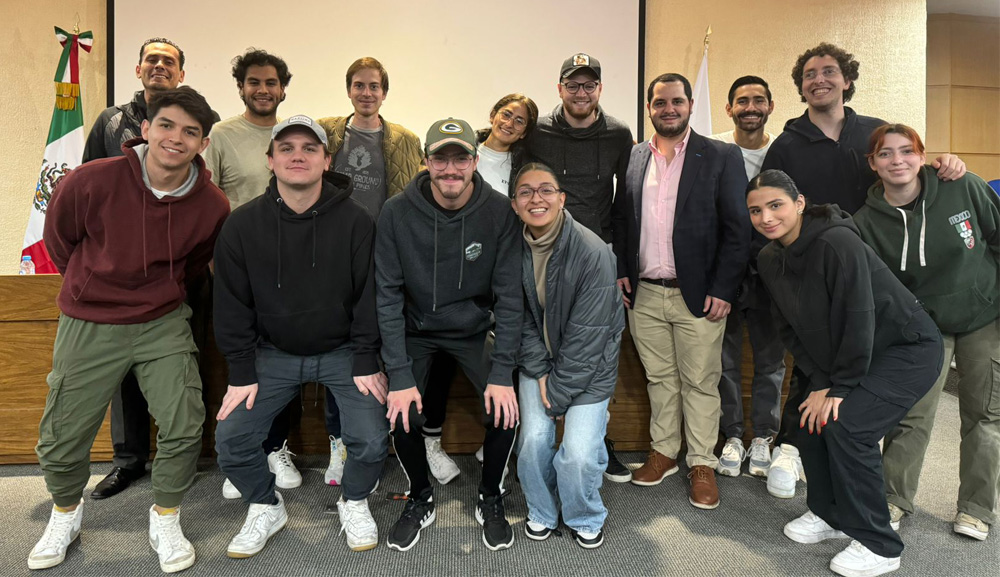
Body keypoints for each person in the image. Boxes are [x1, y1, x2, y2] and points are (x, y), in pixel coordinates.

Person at [31, 87, 229, 573]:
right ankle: (65, 513)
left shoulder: (212, 204)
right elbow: (59, 241)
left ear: (203, 144)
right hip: (90, 319)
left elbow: (195, 263)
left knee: (185, 422)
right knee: (62, 432)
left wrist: (158, 294)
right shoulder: (90, 180)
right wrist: (92, 285)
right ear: (145, 129)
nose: (176, 138)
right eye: (166, 125)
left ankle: (166, 516)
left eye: (190, 132)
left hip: (161, 320)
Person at [760, 42, 966, 499]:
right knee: (817, 361)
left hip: (877, 270)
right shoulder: (786, 145)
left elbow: (909, 169)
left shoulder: (873, 133)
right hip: (815, 275)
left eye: (829, 71)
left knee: (874, 364)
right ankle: (793, 448)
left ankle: (867, 471)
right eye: (810, 74)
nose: (819, 79)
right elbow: (771, 208)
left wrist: (947, 163)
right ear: (801, 87)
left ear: (847, 80)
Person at [748, 169, 942, 577]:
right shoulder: (768, 258)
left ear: (800, 203)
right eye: (755, 210)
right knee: (808, 419)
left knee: (848, 426)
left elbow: (859, 316)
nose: (766, 217)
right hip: (848, 354)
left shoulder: (837, 241)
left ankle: (880, 544)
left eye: (776, 205)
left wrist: (840, 387)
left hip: (905, 347)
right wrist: (821, 382)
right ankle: (831, 514)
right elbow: (789, 329)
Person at [213, 115, 387, 556]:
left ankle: (353, 500)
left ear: (327, 161)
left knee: (371, 439)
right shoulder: (241, 225)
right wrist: (241, 370)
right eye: (286, 148)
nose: (298, 156)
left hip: (344, 351)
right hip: (274, 352)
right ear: (269, 160)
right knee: (231, 441)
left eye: (310, 148)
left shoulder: (357, 221)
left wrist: (366, 358)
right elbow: (232, 305)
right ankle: (265, 504)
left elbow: (370, 297)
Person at [377, 118, 522, 551]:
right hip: (417, 328)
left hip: (473, 329)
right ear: (426, 161)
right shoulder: (396, 212)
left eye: (461, 158)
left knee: (505, 405)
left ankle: (490, 496)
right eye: (441, 158)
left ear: (475, 162)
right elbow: (387, 296)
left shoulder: (499, 211)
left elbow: (509, 296)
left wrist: (502, 372)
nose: (451, 169)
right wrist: (398, 374)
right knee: (401, 410)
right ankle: (420, 497)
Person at [854, 124, 1000, 541]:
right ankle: (893, 498)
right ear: (873, 163)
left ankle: (975, 508)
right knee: (910, 414)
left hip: (983, 315)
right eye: (885, 154)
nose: (897, 160)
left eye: (906, 151)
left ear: (922, 156)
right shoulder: (865, 222)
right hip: (923, 329)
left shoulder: (964, 186)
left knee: (984, 414)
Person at [612, 73, 750, 510]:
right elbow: (622, 219)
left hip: (700, 295)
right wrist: (622, 270)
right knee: (660, 379)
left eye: (676, 101)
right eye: (660, 102)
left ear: (690, 105)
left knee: (700, 382)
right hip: (645, 294)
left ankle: (702, 462)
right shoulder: (635, 155)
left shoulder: (721, 155)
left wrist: (724, 287)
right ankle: (665, 452)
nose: (668, 109)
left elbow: (738, 228)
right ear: (649, 108)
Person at [80, 37, 190, 501]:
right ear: (138, 68)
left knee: (176, 366)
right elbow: (83, 187)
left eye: (169, 61)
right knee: (123, 369)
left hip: (174, 265)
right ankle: (128, 461)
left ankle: (179, 457)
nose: (160, 66)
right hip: (118, 268)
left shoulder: (195, 120)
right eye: (152, 59)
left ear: (181, 74)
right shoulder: (110, 121)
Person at [317, 57, 428, 487]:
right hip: (334, 255)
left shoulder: (405, 139)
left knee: (387, 346)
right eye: (359, 85)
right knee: (339, 350)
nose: (366, 93)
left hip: (383, 256)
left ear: (385, 92)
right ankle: (340, 442)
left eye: (374, 86)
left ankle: (386, 441)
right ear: (349, 89)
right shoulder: (326, 132)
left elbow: (412, 200)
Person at [202, 48, 305, 500]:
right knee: (244, 360)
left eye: (271, 83)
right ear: (241, 88)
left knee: (285, 359)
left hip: (292, 271)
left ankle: (276, 448)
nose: (263, 90)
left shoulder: (294, 136)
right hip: (240, 269)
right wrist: (216, 265)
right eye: (254, 82)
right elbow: (206, 201)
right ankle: (244, 452)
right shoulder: (222, 135)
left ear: (283, 89)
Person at [528, 52, 634, 482]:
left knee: (597, 346)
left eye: (589, 85)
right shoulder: (537, 132)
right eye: (572, 85)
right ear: (560, 89)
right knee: (544, 340)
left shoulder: (619, 134)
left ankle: (594, 438)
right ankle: (534, 439)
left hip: (599, 257)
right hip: (545, 253)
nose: (581, 92)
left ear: (599, 89)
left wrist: (621, 263)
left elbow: (625, 203)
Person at [513, 163, 624, 549]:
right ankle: (543, 511)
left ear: (561, 199)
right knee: (532, 442)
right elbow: (517, 317)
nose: (536, 198)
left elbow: (588, 337)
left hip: (590, 365)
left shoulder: (592, 251)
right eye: (525, 192)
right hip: (538, 362)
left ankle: (584, 515)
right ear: (515, 204)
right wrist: (540, 370)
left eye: (546, 190)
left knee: (577, 455)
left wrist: (556, 396)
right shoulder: (510, 248)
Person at [710, 76, 785, 478]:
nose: (750, 107)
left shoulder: (785, 150)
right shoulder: (715, 149)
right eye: (742, 101)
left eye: (758, 100)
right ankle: (734, 435)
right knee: (724, 360)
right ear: (729, 109)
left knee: (770, 360)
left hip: (773, 271)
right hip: (726, 269)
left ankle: (764, 437)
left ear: (770, 106)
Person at [476, 93, 538, 195]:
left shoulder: (524, 170)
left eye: (519, 121)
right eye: (506, 115)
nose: (509, 124)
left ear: (524, 133)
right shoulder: (465, 151)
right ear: (492, 115)